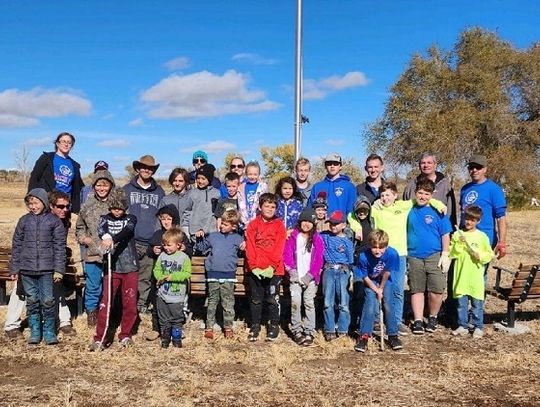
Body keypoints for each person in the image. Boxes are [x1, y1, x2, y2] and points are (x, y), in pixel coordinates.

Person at [370, 181, 446, 336]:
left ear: (395, 195)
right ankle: (378, 321)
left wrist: (439, 204)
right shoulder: (375, 209)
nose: (385, 198)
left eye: (388, 195)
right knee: (379, 288)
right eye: (382, 195)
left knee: (398, 290)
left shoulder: (403, 206)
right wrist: (375, 203)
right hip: (381, 254)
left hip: (400, 254)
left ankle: (396, 321)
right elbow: (355, 215)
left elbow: (424, 197)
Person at [10, 188, 66, 345]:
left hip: (47, 270)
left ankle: (49, 331)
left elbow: (59, 247)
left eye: (35, 203)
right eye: (30, 203)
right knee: (32, 300)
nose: (32, 206)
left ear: (44, 202)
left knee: (48, 300)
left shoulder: (54, 222)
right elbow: (17, 245)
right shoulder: (24, 221)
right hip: (27, 270)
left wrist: (59, 270)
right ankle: (35, 331)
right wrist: (15, 268)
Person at [90, 189, 139, 351]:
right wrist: (105, 237)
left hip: (130, 266)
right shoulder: (104, 219)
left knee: (130, 303)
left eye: (120, 208)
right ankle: (100, 338)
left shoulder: (131, 218)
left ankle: (125, 334)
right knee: (106, 302)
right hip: (112, 268)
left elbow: (128, 231)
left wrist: (113, 239)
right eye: (114, 208)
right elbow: (101, 230)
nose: (117, 211)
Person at [407, 179, 452, 335]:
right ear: (415, 192)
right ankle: (418, 319)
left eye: (426, 194)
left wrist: (445, 253)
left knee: (436, 289)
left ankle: (433, 317)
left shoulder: (438, 211)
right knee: (417, 289)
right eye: (420, 192)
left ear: (431, 195)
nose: (423, 196)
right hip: (414, 255)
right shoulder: (409, 209)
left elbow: (445, 233)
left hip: (435, 254)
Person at [123, 155, 165, 313]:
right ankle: (128, 304)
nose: (147, 170)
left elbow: (162, 215)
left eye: (150, 168)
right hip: (130, 241)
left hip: (149, 241)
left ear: (153, 171)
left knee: (145, 277)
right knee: (129, 275)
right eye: (144, 167)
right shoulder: (127, 189)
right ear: (138, 168)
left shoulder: (159, 191)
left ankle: (141, 305)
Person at [76, 169, 116, 326]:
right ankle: (91, 312)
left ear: (111, 186)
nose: (102, 188)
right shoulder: (87, 205)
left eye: (105, 185)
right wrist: (83, 238)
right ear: (94, 186)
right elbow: (79, 226)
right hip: (93, 251)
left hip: (112, 253)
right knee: (93, 285)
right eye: (99, 185)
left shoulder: (116, 203)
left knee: (110, 285)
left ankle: (107, 311)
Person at [245, 193, 287, 342]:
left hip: (273, 270)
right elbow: (250, 247)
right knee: (256, 299)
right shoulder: (253, 225)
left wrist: (271, 266)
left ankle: (273, 325)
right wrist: (254, 266)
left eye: (273, 207)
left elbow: (279, 248)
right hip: (255, 269)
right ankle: (255, 325)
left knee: (272, 299)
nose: (269, 209)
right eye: (267, 206)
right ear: (260, 207)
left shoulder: (279, 225)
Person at [196, 210, 244, 340]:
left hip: (228, 275)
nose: (222, 226)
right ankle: (209, 326)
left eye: (225, 224)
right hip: (213, 274)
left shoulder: (238, 238)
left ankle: (228, 326)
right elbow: (201, 248)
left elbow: (244, 251)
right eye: (221, 223)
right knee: (212, 301)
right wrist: (199, 237)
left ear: (234, 226)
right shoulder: (213, 236)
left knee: (228, 302)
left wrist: (245, 247)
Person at [354, 229, 402, 352]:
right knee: (370, 304)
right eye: (374, 247)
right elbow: (364, 276)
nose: (377, 250)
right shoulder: (364, 256)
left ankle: (393, 335)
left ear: (386, 246)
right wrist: (375, 289)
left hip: (385, 280)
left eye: (381, 247)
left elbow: (387, 272)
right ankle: (364, 336)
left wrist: (381, 288)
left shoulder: (392, 254)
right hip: (370, 281)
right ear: (370, 245)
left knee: (388, 304)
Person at [449, 205, 494, 338]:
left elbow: (489, 254)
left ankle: (478, 326)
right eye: (467, 219)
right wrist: (459, 244)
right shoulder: (457, 235)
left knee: (477, 304)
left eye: (473, 220)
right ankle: (462, 325)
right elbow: (452, 254)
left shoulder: (482, 236)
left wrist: (480, 256)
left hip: (475, 278)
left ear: (478, 221)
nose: (469, 222)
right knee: (461, 305)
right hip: (461, 277)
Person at [283, 208, 324, 346]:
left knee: (309, 303)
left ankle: (309, 331)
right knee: (295, 302)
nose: (306, 224)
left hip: (310, 278)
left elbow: (318, 260)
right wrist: (292, 272)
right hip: (295, 277)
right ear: (300, 222)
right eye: (304, 221)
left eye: (310, 221)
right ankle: (296, 330)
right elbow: (287, 255)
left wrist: (310, 275)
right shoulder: (293, 236)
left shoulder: (317, 239)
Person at [460, 154, 507, 260]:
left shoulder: (494, 189)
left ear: (485, 169)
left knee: (479, 273)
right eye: (471, 167)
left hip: (484, 238)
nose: (474, 170)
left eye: (478, 167)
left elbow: (501, 218)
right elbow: (463, 214)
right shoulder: (464, 189)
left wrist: (502, 242)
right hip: (465, 237)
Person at [153, 227, 191, 348]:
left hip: (177, 296)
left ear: (178, 245)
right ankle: (165, 338)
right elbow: (157, 269)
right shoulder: (162, 256)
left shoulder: (184, 258)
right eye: (164, 245)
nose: (166, 248)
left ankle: (176, 338)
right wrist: (159, 277)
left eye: (169, 245)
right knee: (163, 318)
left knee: (176, 318)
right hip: (162, 294)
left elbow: (187, 273)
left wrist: (173, 277)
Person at [28, 132, 84, 213]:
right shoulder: (46, 158)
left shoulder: (74, 165)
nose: (66, 144)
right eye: (63, 141)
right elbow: (34, 177)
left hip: (65, 204)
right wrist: (32, 198)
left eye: (69, 142)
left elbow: (79, 186)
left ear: (72, 146)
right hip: (47, 200)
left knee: (62, 225)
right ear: (57, 143)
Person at [320, 210, 354, 341]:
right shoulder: (324, 236)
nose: (333, 226)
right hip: (328, 269)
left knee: (343, 302)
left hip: (343, 270)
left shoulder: (347, 242)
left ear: (344, 225)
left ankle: (343, 328)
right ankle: (329, 328)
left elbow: (350, 260)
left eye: (336, 224)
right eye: (331, 224)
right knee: (328, 301)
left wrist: (349, 274)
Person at [402, 153, 457, 228]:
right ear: (419, 165)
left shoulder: (445, 185)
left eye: (429, 163)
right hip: (415, 232)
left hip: (439, 232)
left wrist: (451, 232)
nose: (426, 165)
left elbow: (451, 212)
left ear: (435, 165)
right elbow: (403, 211)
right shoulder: (411, 186)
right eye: (423, 163)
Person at [184, 164, 221, 243]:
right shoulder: (192, 193)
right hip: (195, 233)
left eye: (203, 179)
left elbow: (218, 214)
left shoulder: (217, 193)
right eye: (198, 178)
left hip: (212, 232)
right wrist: (186, 230)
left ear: (209, 179)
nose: (200, 181)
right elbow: (187, 211)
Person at [159, 167, 191, 236]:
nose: (177, 183)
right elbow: (159, 221)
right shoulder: (165, 200)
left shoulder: (192, 197)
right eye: (175, 180)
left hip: (189, 237)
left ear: (186, 182)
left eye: (180, 181)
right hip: (171, 237)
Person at [238, 161, 268, 227]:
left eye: (255, 174)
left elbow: (265, 202)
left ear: (259, 174)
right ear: (246, 174)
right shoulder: (241, 187)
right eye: (250, 174)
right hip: (244, 220)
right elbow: (240, 204)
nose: (252, 177)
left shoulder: (262, 186)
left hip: (258, 220)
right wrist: (244, 221)